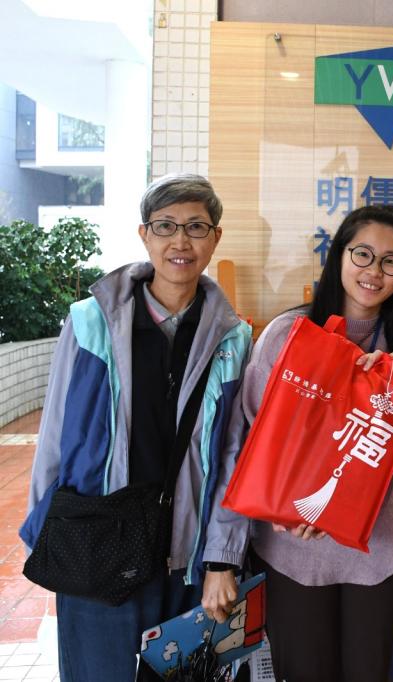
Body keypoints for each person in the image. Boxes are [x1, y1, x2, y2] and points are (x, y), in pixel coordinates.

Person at [19, 174, 252, 681]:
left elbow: (235, 455)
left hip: (187, 559)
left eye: (196, 226)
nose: (181, 241)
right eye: (166, 225)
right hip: (98, 544)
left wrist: (222, 558)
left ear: (215, 237)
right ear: (144, 234)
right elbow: (55, 435)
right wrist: (47, 532)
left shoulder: (233, 338)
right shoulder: (89, 321)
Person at [209, 205, 393, 682]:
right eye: (362, 254)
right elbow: (250, 441)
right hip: (290, 548)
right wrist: (286, 513)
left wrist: (385, 397)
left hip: (378, 551)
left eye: (391, 261)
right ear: (339, 256)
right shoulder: (285, 336)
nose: (374, 271)